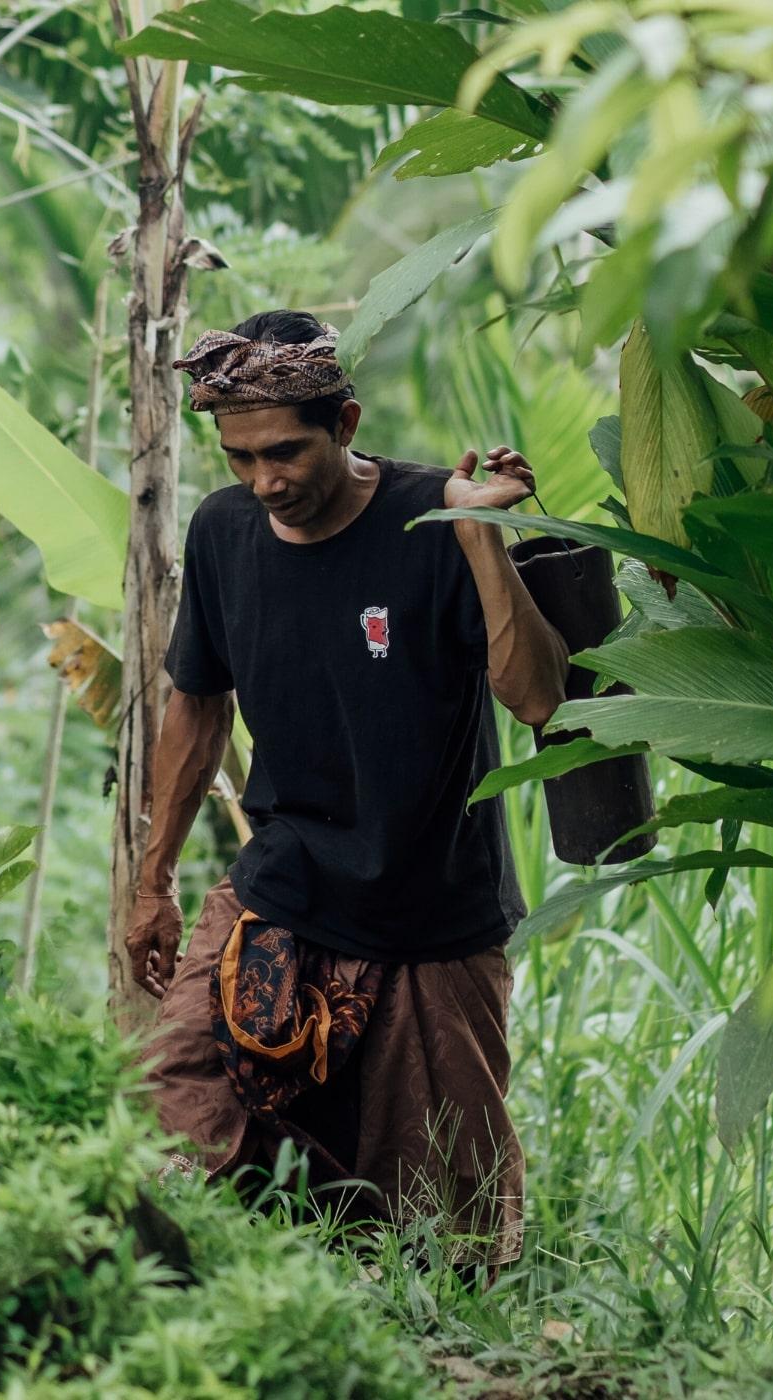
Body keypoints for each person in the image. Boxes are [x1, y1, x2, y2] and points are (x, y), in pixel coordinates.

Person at [125, 308, 571, 1268]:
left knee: (447, 1236)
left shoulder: (431, 520)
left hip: (433, 911)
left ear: (347, 424)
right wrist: (151, 881)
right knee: (170, 1113)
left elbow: (537, 698)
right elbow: (197, 710)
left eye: (285, 452)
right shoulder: (223, 533)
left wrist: (482, 535)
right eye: (240, 457)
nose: (265, 479)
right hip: (284, 885)